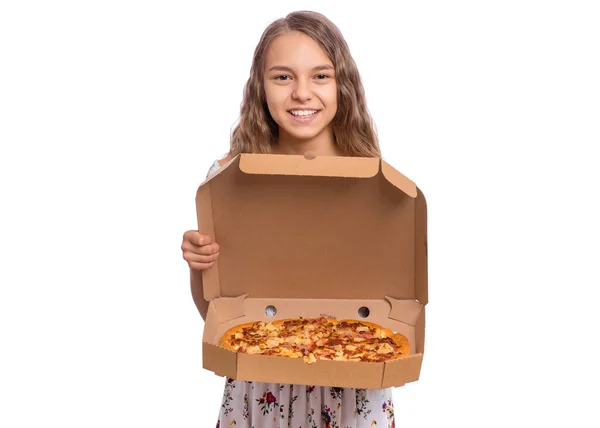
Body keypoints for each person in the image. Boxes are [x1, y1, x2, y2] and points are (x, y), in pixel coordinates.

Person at [181, 10, 396, 428]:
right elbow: (216, 311)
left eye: (320, 76)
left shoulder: (374, 179)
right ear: (260, 88)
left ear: (342, 86)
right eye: (282, 77)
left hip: (354, 379)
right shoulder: (228, 178)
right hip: (261, 381)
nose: (301, 93)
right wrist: (199, 265)